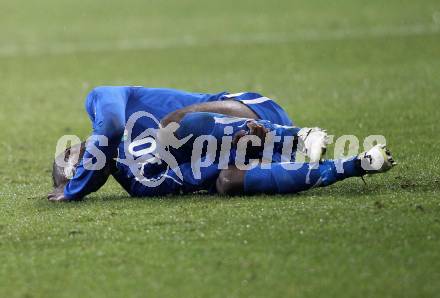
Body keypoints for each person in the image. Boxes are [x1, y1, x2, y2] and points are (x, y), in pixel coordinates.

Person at [48, 86, 395, 201]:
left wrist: (72, 189)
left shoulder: (103, 100)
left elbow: (108, 128)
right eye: (73, 171)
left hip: (253, 113)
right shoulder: (141, 183)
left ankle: (300, 134)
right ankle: (358, 164)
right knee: (227, 182)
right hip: (244, 150)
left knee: (174, 125)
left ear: (75, 146)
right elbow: (193, 175)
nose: (80, 163)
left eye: (72, 159)